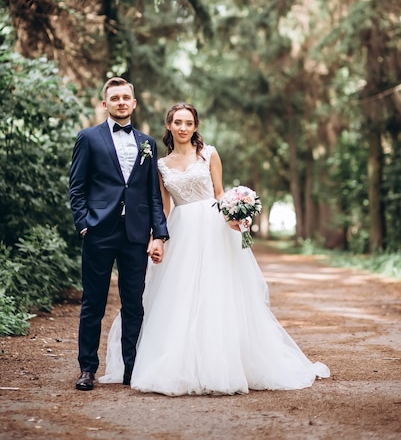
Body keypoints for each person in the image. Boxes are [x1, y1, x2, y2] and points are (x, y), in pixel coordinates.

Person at [100, 103, 330, 395]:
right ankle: (180, 365)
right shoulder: (160, 165)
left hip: (213, 229)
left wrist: (235, 219)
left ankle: (225, 365)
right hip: (182, 231)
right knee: (180, 295)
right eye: (178, 122)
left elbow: (219, 194)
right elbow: (165, 208)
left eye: (189, 123)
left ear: (195, 127)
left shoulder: (209, 154)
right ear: (169, 126)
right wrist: (158, 239)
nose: (183, 128)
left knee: (218, 293)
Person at [69, 77, 169, 391]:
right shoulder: (88, 138)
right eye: (115, 98)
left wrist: (159, 234)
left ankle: (131, 369)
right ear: (105, 104)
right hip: (99, 230)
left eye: (126, 97)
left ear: (134, 103)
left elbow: (153, 193)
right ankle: (87, 369)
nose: (121, 102)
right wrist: (84, 224)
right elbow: (77, 188)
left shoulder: (147, 143)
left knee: (133, 304)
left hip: (136, 233)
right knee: (93, 302)